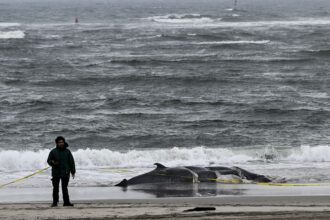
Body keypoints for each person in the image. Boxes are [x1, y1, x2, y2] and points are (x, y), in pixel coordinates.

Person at [47, 136, 76, 207]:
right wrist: (52, 162)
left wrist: (73, 171)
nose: (61, 143)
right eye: (59, 142)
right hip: (56, 172)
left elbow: (71, 162)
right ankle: (55, 202)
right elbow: (48, 160)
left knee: (65, 188)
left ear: (64, 142)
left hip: (65, 172)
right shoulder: (53, 151)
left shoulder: (67, 151)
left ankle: (66, 202)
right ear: (57, 143)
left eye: (62, 142)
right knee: (55, 188)